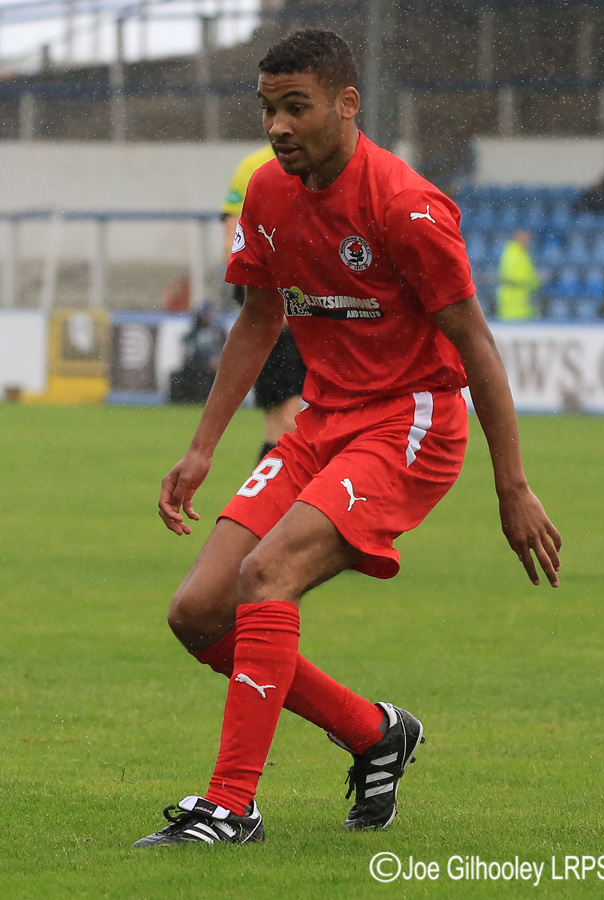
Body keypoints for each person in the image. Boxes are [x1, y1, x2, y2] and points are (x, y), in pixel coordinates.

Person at [134, 28, 561, 849]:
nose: (278, 127)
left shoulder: (405, 205)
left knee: (269, 574)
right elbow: (259, 319)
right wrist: (201, 448)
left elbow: (476, 344)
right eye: (267, 110)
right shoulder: (266, 194)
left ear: (347, 103)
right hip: (321, 423)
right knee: (196, 612)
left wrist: (512, 487)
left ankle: (230, 806)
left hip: (410, 425)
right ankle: (373, 732)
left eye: (296, 108)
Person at [222, 144, 307, 461]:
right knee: (284, 424)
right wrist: (271, 297)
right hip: (278, 314)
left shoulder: (326, 161)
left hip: (318, 315)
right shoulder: (253, 167)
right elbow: (232, 240)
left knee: (301, 426)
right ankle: (269, 505)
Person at [169, 301, 227, 403]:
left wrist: (218, 359)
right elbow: (188, 347)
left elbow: (225, 347)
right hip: (198, 365)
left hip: (215, 365)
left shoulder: (217, 330)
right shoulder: (195, 330)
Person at [496, 229, 541, 320]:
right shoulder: (513, 254)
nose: (528, 240)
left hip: (521, 304)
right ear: (517, 237)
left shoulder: (520, 253)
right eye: (525, 237)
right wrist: (537, 280)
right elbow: (514, 279)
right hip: (513, 305)